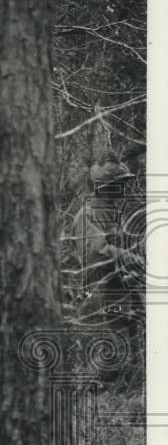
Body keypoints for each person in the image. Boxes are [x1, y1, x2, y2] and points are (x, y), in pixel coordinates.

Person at [68, 154, 145, 381]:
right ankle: (101, 386)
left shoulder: (114, 212)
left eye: (123, 183)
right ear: (103, 187)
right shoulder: (87, 215)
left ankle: (129, 382)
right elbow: (99, 250)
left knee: (129, 327)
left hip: (120, 286)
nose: (123, 188)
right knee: (113, 333)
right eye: (118, 184)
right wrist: (132, 258)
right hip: (101, 288)